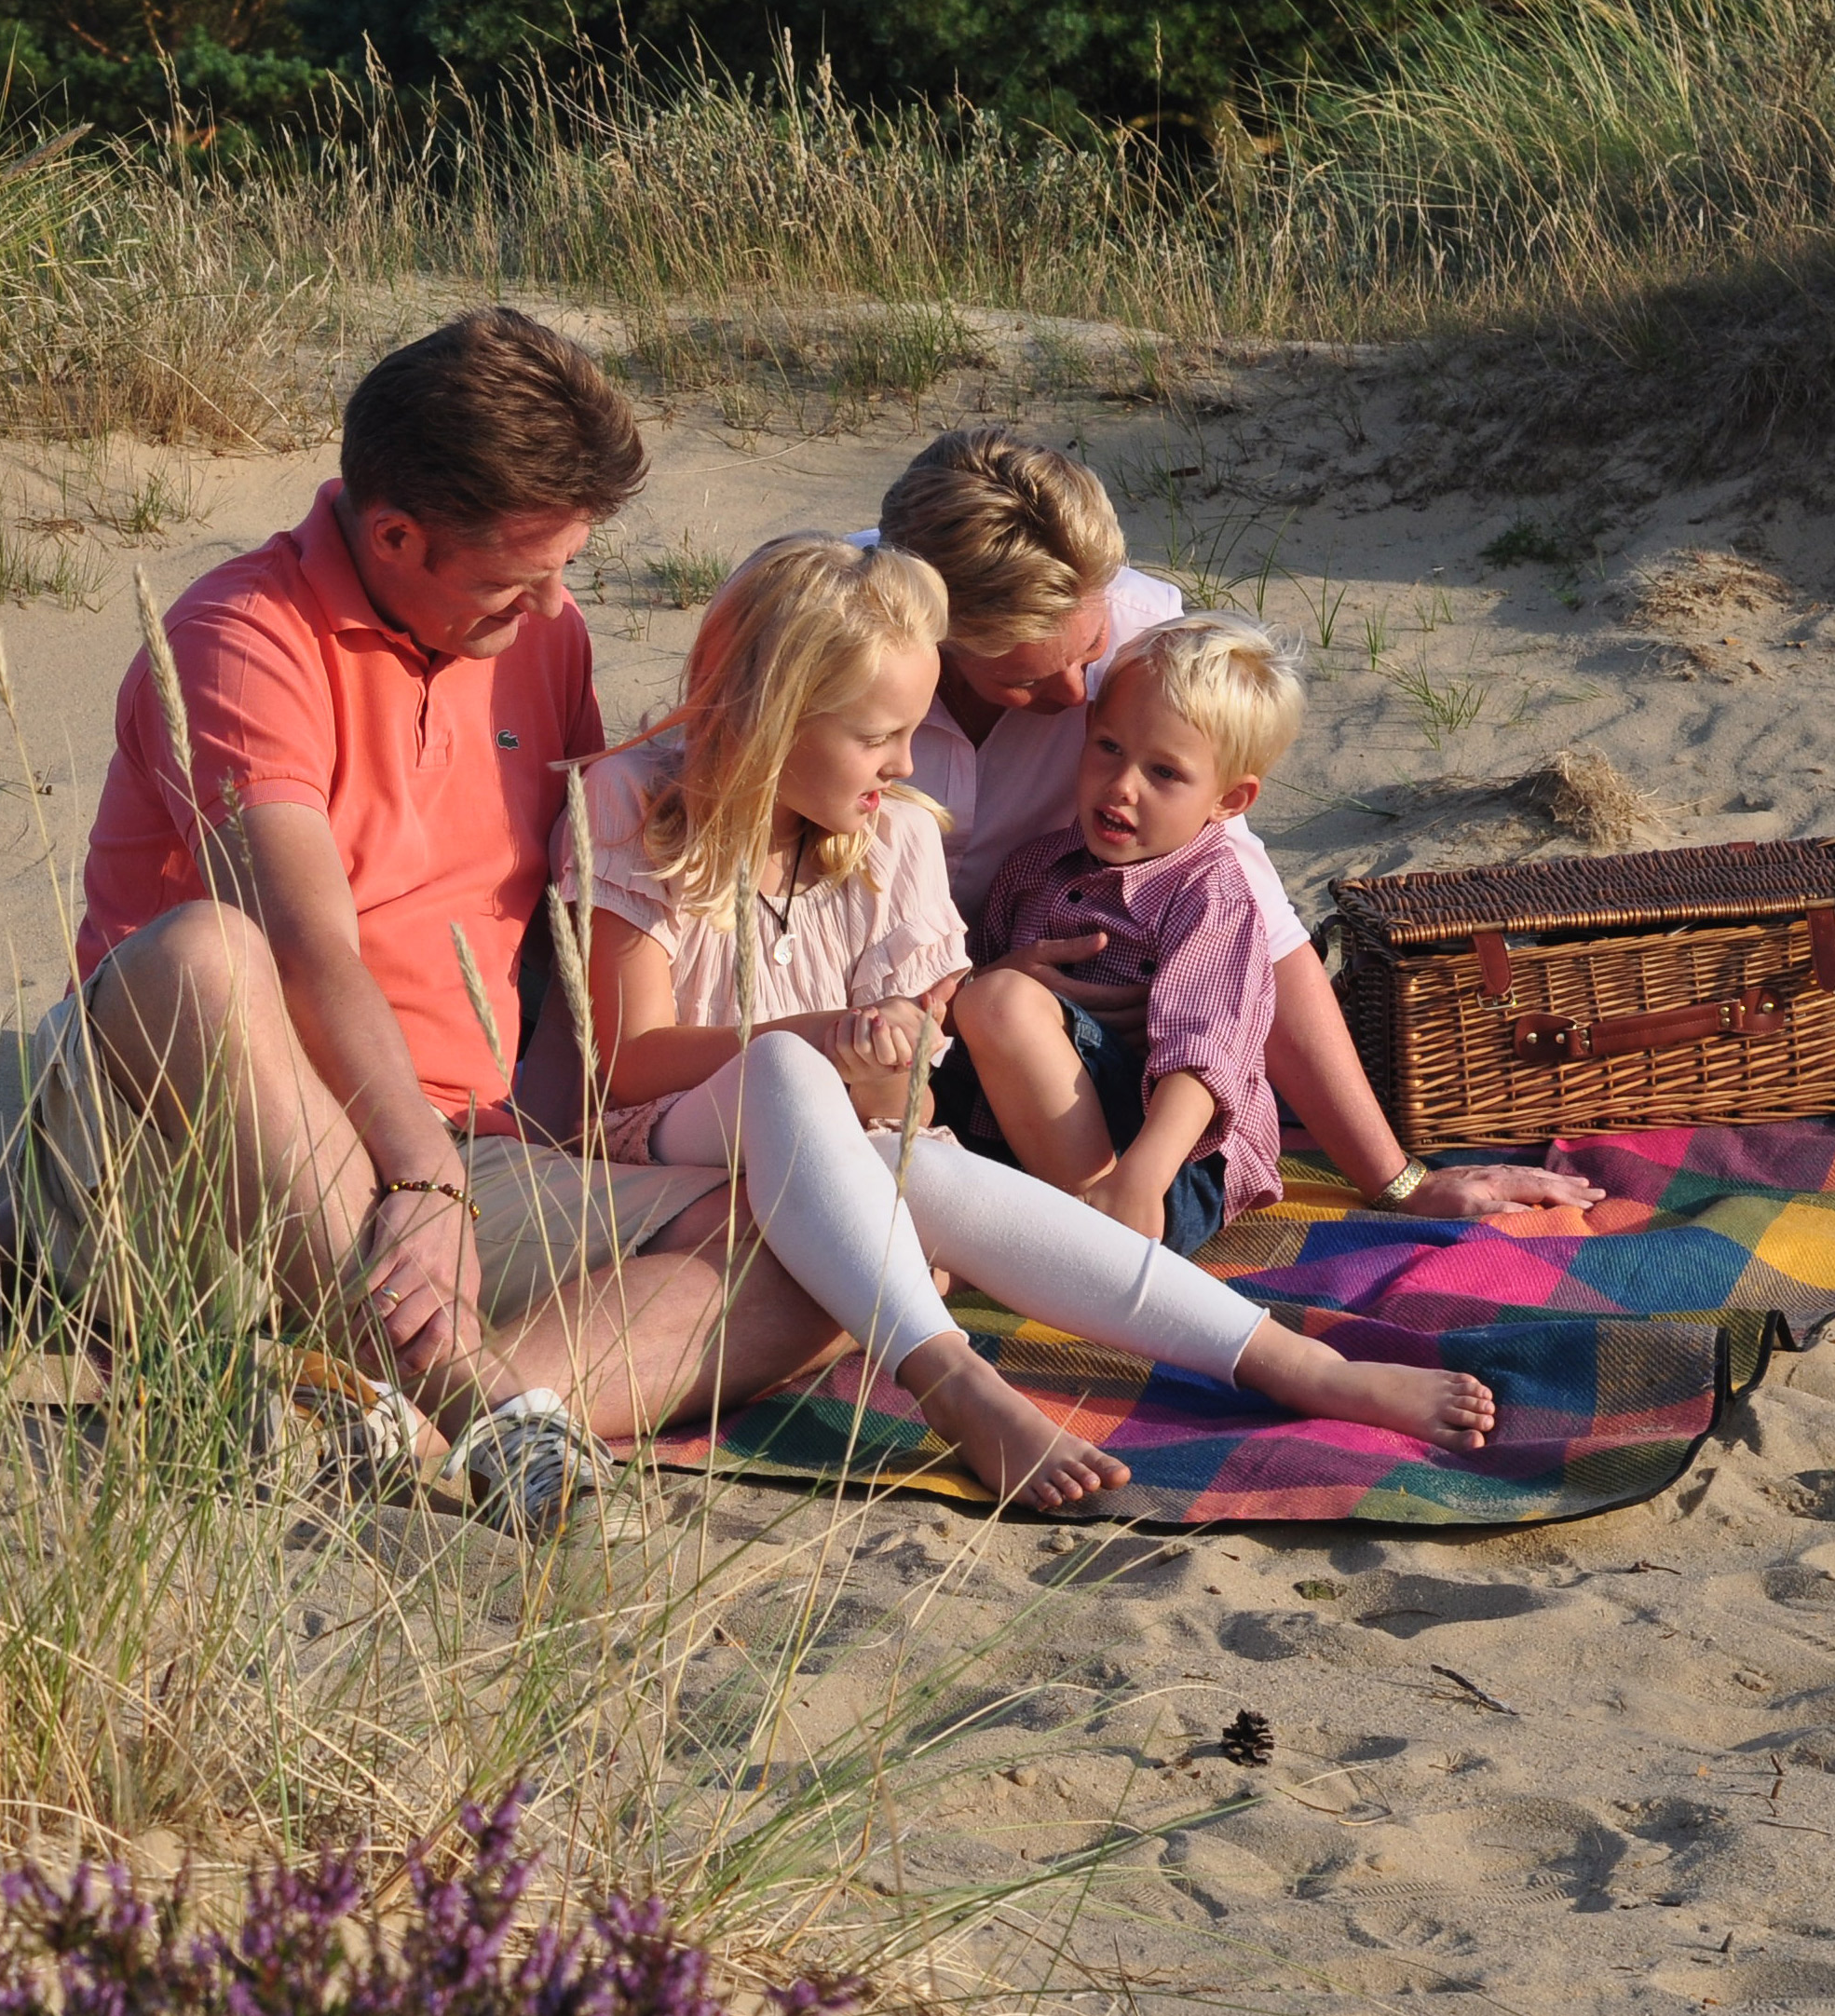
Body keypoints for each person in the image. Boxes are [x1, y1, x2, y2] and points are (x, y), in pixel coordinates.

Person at [13, 307, 856, 1539]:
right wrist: (420, 1178)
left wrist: (558, 1140)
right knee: (205, 956)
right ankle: (481, 1408)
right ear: (396, 535)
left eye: (565, 568)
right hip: (207, 1142)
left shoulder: (541, 637)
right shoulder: (240, 638)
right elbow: (304, 947)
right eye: (517, 577)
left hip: (461, 1144)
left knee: (820, 1244)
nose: (552, 604)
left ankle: (389, 1416)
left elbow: (572, 913)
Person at [563, 539, 1491, 1507]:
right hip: (675, 1128)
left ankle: (1298, 1366)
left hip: (846, 1150)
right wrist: (827, 1037)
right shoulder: (636, 802)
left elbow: (920, 1105)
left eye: (912, 731)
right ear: (777, 716)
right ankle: (958, 1385)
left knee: (909, 1163)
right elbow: (627, 1065)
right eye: (881, 735)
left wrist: (888, 1064)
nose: (907, 762)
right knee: (791, 1072)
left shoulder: (896, 830)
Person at [872, 430, 1605, 1221]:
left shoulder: (1151, 656)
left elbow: (1258, 938)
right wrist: (980, 989)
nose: (1075, 697)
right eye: (1023, 679)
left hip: (1133, 1117)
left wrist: (1398, 1180)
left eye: (1087, 652)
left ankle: (1101, 1235)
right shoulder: (835, 636)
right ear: (933, 639)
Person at [955, 614, 1298, 1255]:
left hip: (1167, 1166)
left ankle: (1101, 1242)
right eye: (1109, 747)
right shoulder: (1034, 869)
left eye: (1164, 773)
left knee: (999, 1000)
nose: (1122, 787)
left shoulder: (1209, 895)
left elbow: (1204, 1053)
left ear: (1228, 800)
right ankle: (1022, 1228)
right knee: (968, 1008)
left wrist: (1143, 1177)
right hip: (1022, 1137)